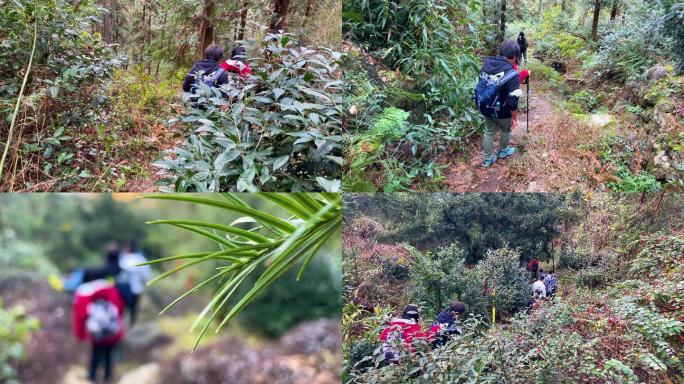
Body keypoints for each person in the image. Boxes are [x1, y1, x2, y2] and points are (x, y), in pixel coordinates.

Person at [474, 40, 522, 167]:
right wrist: (515, 118)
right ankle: (502, 152)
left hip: (486, 107)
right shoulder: (513, 75)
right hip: (503, 111)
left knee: (489, 132)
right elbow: (513, 101)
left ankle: (488, 159)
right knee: (506, 130)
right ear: (515, 57)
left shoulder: (487, 64)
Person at [73, 279, 126, 383]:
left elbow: (82, 318)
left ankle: (92, 376)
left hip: (96, 337)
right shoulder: (111, 299)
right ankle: (107, 378)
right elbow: (119, 314)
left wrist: (81, 335)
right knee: (108, 356)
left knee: (95, 355)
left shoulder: (90, 304)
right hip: (111, 337)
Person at [117, 240, 152, 325]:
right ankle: (131, 325)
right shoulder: (141, 259)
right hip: (137, 288)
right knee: (133, 309)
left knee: (123, 307)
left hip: (123, 289)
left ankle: (122, 326)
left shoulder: (123, 259)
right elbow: (147, 275)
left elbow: (119, 275)